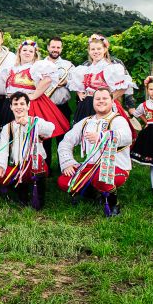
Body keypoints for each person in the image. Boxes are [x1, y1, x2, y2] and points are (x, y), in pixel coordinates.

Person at [57, 88, 132, 217]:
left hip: (116, 166)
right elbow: (66, 141)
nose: (101, 101)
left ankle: (113, 204)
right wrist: (68, 162)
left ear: (112, 101)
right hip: (91, 167)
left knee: (101, 177)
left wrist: (102, 136)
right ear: (93, 102)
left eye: (105, 98)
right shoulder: (86, 122)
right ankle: (96, 194)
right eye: (97, 99)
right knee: (64, 181)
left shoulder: (118, 120)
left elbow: (127, 137)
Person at [3, 40, 71, 168]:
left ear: (35, 54)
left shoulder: (36, 67)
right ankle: (14, 164)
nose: (27, 53)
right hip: (12, 104)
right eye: (24, 50)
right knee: (12, 133)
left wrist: (34, 95)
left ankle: (42, 166)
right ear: (19, 52)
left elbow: (48, 79)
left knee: (37, 134)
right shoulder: (12, 68)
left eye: (31, 51)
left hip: (31, 104)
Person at [0, 92, 55, 209]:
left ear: (28, 106)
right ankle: (21, 192)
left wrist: (28, 123)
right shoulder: (8, 127)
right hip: (17, 164)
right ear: (11, 107)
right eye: (15, 104)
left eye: (22, 104)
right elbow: (1, 147)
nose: (19, 107)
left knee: (36, 162)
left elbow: (50, 129)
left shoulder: (35, 121)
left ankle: (38, 199)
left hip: (33, 165)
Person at [67, 34, 132, 124]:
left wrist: (110, 98)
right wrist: (79, 93)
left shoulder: (111, 68)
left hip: (103, 105)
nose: (96, 51)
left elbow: (125, 86)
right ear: (89, 51)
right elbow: (76, 85)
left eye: (99, 49)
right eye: (93, 49)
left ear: (105, 50)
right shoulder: (84, 69)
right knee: (84, 129)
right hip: (86, 105)